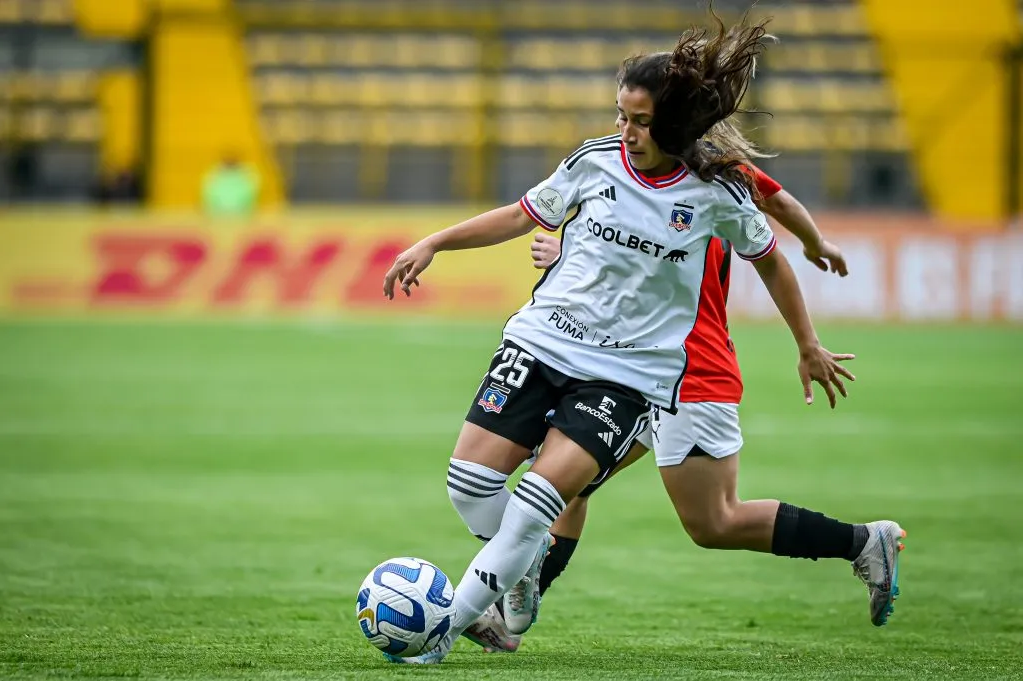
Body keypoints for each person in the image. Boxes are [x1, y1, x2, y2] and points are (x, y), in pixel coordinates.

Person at [381, 12, 892, 665]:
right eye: (620, 116)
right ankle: (518, 577)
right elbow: (576, 231)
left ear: (674, 121)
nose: (625, 131)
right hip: (558, 346)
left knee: (698, 519)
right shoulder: (598, 162)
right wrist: (474, 244)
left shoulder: (717, 184)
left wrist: (812, 292)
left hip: (671, 369)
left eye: (640, 120)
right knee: (512, 488)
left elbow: (773, 220)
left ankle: (457, 620)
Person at [465, 158, 898, 656]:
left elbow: (742, 228)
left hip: (687, 368)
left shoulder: (713, 172)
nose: (629, 127)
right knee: (566, 481)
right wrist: (815, 241)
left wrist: (809, 319)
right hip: (631, 364)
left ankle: (863, 542)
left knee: (714, 521)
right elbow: (774, 200)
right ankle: (513, 600)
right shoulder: (650, 165)